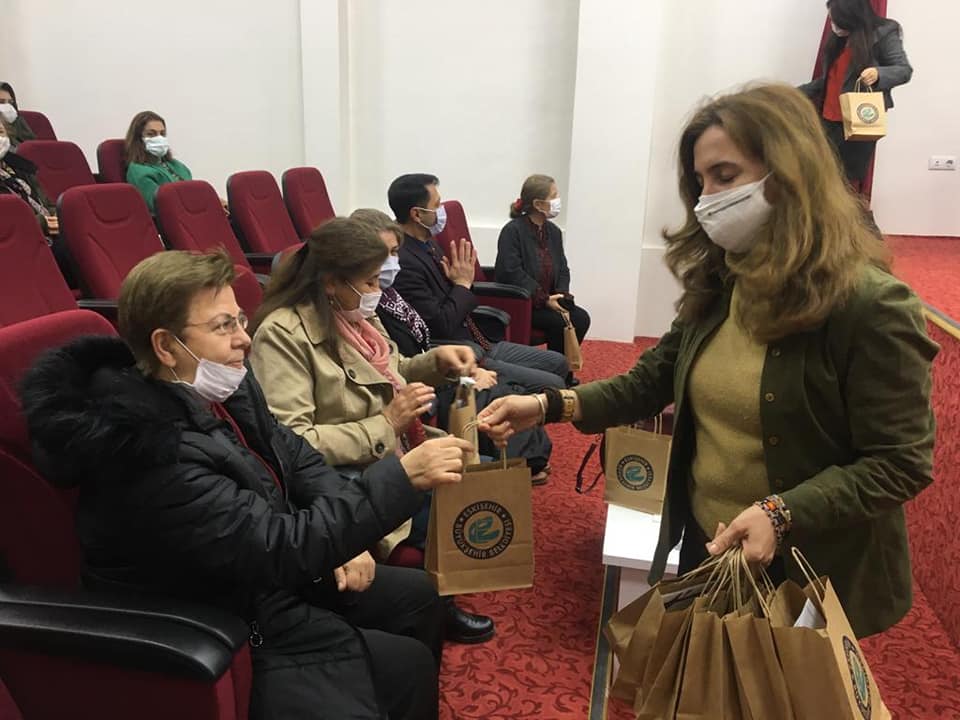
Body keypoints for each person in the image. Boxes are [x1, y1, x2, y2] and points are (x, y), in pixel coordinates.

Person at [478, 83, 938, 639]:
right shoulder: (725, 281)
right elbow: (652, 379)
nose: (707, 198)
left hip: (808, 570)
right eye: (700, 181)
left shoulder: (871, 305)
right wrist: (549, 404)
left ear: (791, 174)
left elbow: (899, 463)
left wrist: (781, 512)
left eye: (725, 175)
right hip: (710, 545)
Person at [21, 248, 476, 719]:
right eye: (224, 326)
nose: (245, 338)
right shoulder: (149, 452)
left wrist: (347, 537)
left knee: (419, 598)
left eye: (240, 319)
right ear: (166, 346)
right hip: (216, 616)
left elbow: (294, 455)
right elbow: (273, 547)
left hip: (262, 575)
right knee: (403, 666)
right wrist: (400, 480)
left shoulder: (224, 386)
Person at [248, 216, 500, 645]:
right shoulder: (282, 335)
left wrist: (436, 362)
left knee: (479, 470)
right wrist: (385, 424)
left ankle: (449, 583)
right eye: (368, 282)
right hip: (349, 475)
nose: (377, 292)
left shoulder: (355, 316)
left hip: (394, 448)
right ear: (331, 281)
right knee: (454, 495)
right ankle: (437, 603)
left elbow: (390, 372)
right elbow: (292, 441)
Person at [351, 207, 554, 485]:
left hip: (434, 371)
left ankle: (525, 462)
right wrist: (463, 374)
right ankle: (524, 465)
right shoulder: (365, 303)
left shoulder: (387, 293)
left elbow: (408, 353)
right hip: (423, 389)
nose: (393, 262)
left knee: (504, 389)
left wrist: (453, 365)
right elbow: (402, 360)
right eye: (385, 254)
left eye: (395, 252)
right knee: (489, 393)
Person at [389, 173, 572, 391]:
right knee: (553, 383)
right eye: (437, 205)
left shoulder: (428, 243)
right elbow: (441, 324)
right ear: (417, 214)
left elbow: (454, 294)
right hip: (460, 352)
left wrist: (456, 283)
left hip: (480, 339)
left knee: (559, 363)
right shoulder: (404, 262)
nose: (442, 211)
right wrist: (462, 285)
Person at [799, 0, 912, 188]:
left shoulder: (884, 33)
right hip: (827, 118)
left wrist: (878, 74)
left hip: (857, 121)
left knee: (844, 183)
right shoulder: (839, 39)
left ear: (850, 16)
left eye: (836, 19)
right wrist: (793, 94)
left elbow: (903, 70)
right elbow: (829, 80)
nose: (833, 24)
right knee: (818, 178)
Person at [495, 174, 591, 354]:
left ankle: (562, 366)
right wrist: (544, 299)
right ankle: (554, 367)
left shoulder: (553, 231)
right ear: (538, 204)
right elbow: (511, 272)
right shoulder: (512, 231)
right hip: (524, 303)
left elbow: (562, 268)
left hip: (550, 300)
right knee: (561, 322)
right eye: (553, 196)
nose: (558, 200)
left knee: (582, 318)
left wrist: (561, 294)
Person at [124, 111, 193, 213]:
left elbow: (194, 193)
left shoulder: (177, 165)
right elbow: (159, 206)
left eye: (162, 134)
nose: (159, 138)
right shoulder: (138, 171)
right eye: (151, 134)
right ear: (138, 139)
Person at [0, 121, 57, 233]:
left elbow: (46, 203)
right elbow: (7, 223)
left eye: (0, 132)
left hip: (50, 231)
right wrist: (42, 223)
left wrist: (57, 215)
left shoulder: (21, 166)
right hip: (23, 236)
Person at [0, 82, 37, 146]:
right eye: (1, 102)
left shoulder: (18, 121)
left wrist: (7, 141)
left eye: (10, 102)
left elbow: (31, 148)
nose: (7, 106)